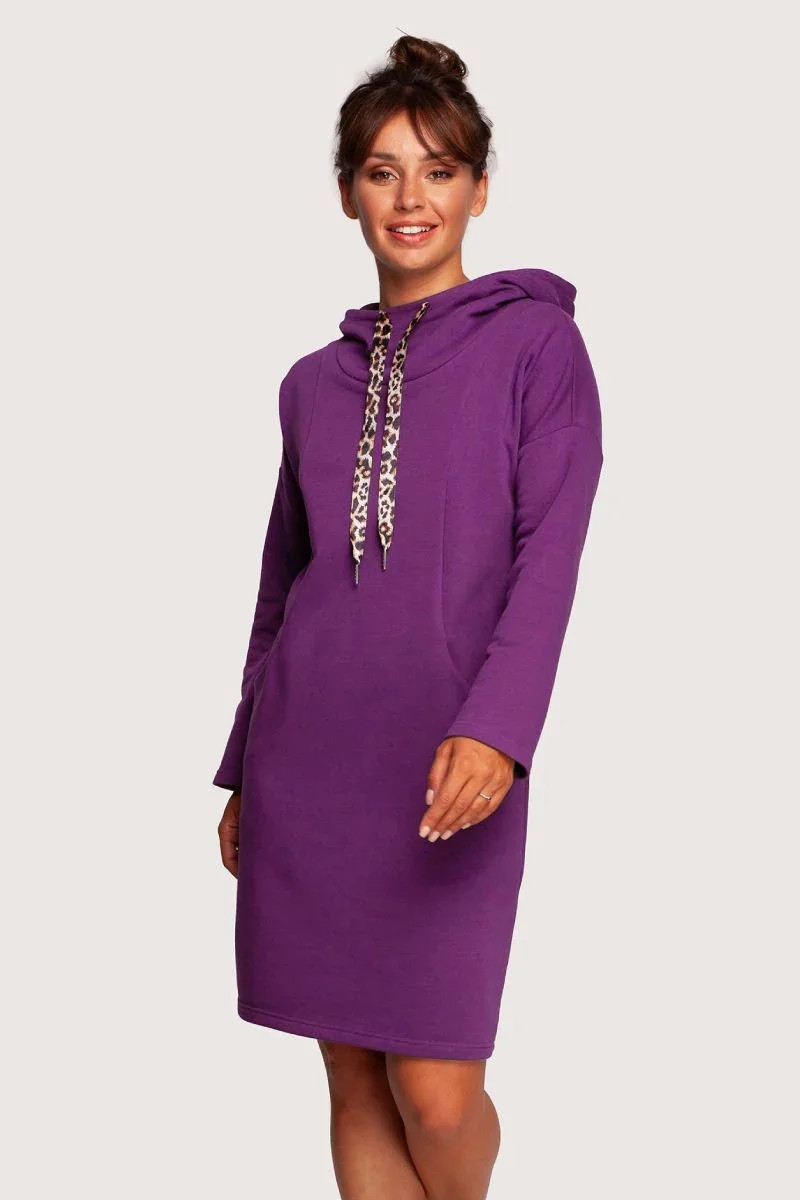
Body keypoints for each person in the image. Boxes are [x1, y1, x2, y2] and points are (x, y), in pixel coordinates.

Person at [214, 34, 603, 1200]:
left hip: (449, 761)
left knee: (435, 1092)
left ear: (479, 189)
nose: (409, 197)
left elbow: (550, 554)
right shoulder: (308, 384)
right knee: (352, 1079)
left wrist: (498, 731)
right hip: (307, 765)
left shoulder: (537, 345)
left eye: (437, 169)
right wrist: (241, 771)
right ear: (346, 193)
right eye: (381, 171)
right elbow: (282, 587)